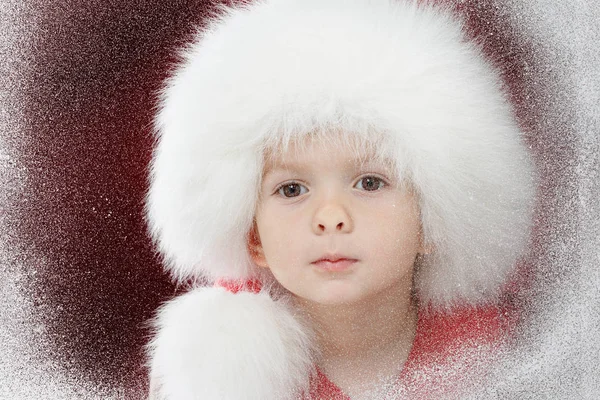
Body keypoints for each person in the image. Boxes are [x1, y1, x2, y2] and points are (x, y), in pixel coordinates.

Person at [145, 0, 536, 398]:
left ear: (432, 221)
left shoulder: (498, 353)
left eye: (369, 183)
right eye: (292, 189)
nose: (331, 216)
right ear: (254, 238)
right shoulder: (214, 377)